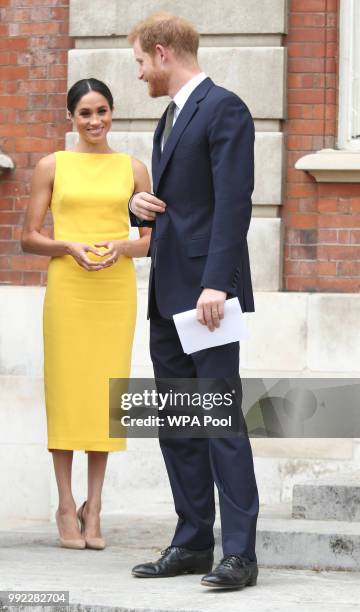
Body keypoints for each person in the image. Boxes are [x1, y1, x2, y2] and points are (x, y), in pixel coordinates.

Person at [127, 13, 259, 590]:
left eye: (138, 62)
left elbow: (234, 203)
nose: (138, 75)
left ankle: (241, 555)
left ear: (162, 53)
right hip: (166, 292)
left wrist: (217, 282)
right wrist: (143, 208)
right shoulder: (170, 118)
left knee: (220, 421)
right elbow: (184, 204)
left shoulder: (224, 108)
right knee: (178, 425)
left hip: (206, 295)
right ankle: (192, 542)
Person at [21, 78, 151, 550]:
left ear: (112, 113)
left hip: (114, 291)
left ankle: (94, 508)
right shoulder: (51, 165)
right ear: (71, 117)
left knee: (104, 397)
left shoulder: (134, 169)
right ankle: (64, 502)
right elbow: (28, 236)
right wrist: (67, 245)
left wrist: (121, 246)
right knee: (68, 393)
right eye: (85, 113)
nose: (95, 121)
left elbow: (149, 241)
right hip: (69, 288)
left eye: (102, 111)